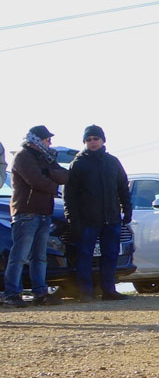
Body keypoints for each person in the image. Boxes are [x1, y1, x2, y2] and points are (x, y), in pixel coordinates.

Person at [63, 125, 131, 302]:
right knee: (85, 255)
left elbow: (123, 188)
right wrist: (72, 218)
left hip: (112, 218)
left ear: (103, 140)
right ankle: (85, 291)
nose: (92, 142)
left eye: (95, 138)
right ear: (85, 142)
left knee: (111, 255)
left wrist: (127, 209)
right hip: (88, 220)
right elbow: (69, 195)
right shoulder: (78, 164)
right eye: (88, 139)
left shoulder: (113, 162)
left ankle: (109, 290)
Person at [3, 126, 68, 307]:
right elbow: (36, 181)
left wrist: (48, 173)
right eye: (47, 139)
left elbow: (65, 176)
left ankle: (40, 293)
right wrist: (54, 185)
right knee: (19, 257)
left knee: (39, 257)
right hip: (26, 213)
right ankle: (11, 294)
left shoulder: (46, 158)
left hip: (44, 213)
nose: (50, 142)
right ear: (36, 140)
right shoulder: (22, 156)